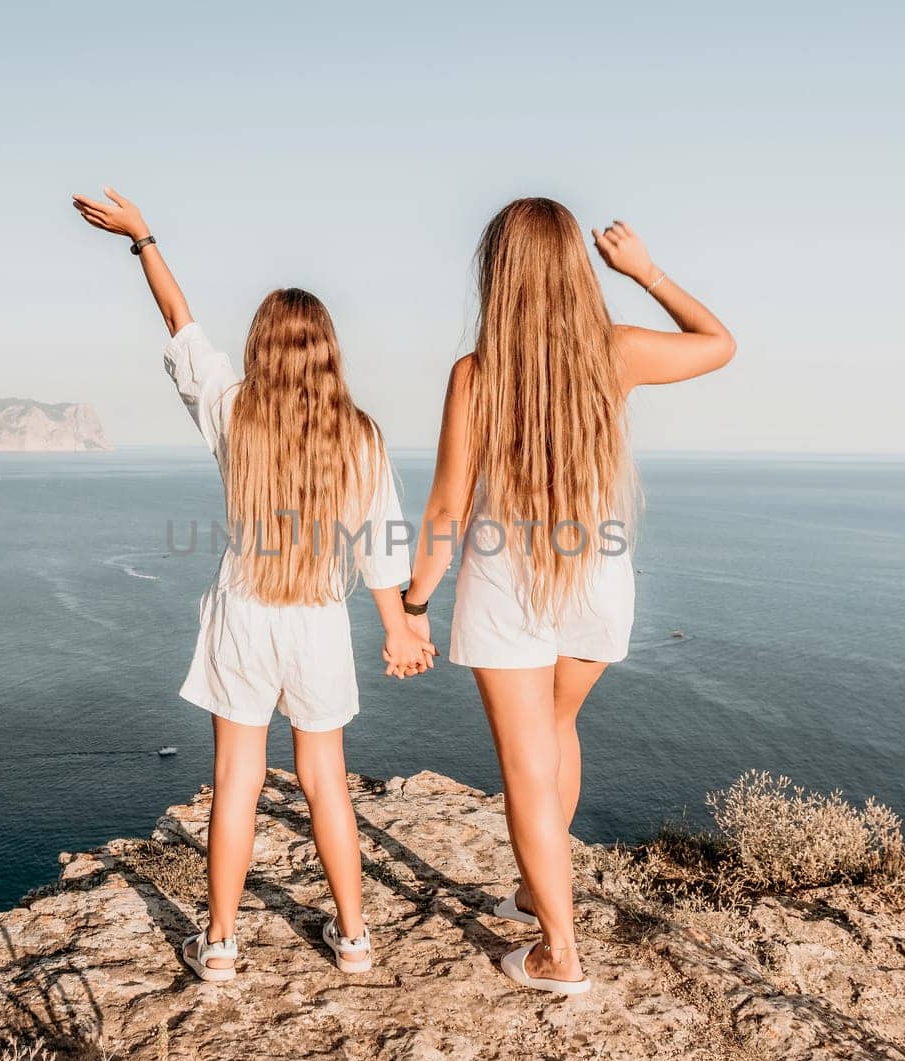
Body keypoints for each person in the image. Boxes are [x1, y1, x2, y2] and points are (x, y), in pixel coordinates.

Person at [72, 187, 436, 981]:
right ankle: (353, 939)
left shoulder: (235, 409)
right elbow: (381, 548)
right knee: (325, 782)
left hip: (244, 612)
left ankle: (223, 943)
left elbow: (181, 323)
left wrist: (144, 240)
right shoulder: (361, 433)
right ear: (330, 351)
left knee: (236, 779)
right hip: (315, 619)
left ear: (263, 348)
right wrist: (403, 628)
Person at [401, 198, 735, 994]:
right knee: (556, 728)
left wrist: (413, 604)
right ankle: (532, 890)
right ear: (578, 271)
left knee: (525, 762)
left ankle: (559, 951)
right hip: (598, 574)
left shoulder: (477, 373)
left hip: (507, 580)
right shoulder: (614, 353)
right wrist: (647, 271)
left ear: (499, 273)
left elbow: (448, 508)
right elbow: (719, 344)